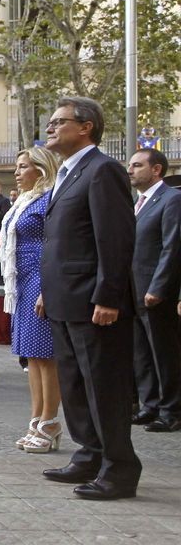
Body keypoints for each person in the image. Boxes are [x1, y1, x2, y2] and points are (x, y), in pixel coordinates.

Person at [38, 96, 140, 500]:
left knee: (104, 386)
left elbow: (114, 239)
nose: (50, 127)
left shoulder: (103, 171)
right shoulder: (67, 173)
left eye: (59, 121)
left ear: (86, 127)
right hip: (65, 298)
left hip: (94, 301)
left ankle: (120, 467)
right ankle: (90, 452)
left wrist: (109, 296)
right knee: (75, 384)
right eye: (51, 120)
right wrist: (48, 290)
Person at [0, 147, 63, 453]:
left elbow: (56, 246)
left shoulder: (50, 198)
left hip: (41, 278)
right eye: (17, 166)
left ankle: (50, 421)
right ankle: (36, 417)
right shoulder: (24, 200)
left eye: (23, 167)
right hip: (21, 282)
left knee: (46, 356)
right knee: (31, 356)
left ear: (40, 169)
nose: (16, 172)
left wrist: (48, 289)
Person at [127, 148, 181, 432]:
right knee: (141, 352)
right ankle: (150, 405)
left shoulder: (172, 200)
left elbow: (172, 247)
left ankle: (171, 411)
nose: (131, 170)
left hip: (156, 292)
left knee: (163, 352)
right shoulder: (136, 203)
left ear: (156, 169)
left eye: (137, 165)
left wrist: (158, 286)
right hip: (132, 290)